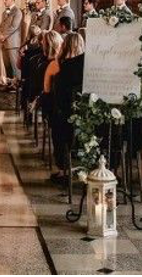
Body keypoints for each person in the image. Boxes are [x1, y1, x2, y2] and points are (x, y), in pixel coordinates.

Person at [49, 32, 84, 183]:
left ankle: (63, 170)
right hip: (84, 115)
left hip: (66, 115)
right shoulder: (88, 67)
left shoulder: (62, 67)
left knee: (58, 123)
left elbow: (56, 93)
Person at [0, 0, 23, 83]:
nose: (4, 1)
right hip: (4, 43)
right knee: (7, 66)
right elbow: (1, 25)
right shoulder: (4, 12)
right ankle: (9, 84)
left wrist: (3, 35)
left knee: (15, 66)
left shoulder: (18, 11)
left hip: (13, 43)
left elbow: (14, 26)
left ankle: (18, 85)